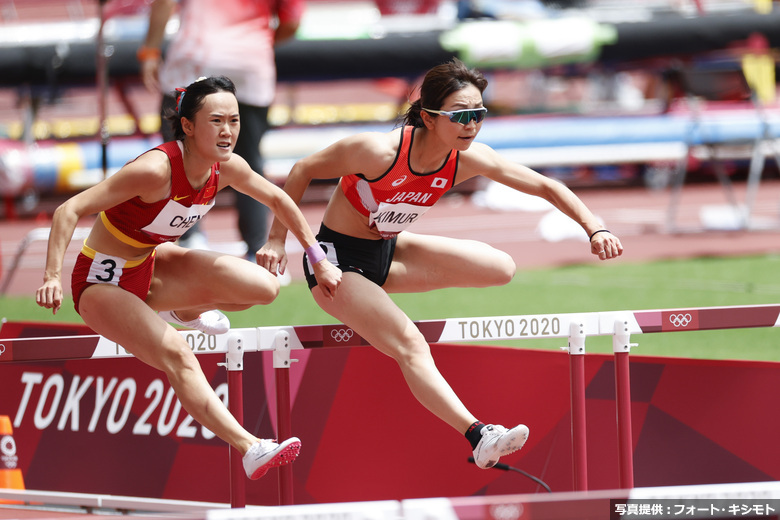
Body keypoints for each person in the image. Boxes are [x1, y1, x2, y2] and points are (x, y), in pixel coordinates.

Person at [258, 58, 624, 469]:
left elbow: (544, 185)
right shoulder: (377, 151)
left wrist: (594, 228)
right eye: (461, 115)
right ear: (429, 117)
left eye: (479, 114)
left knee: (501, 267)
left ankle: (373, 297)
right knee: (410, 343)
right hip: (337, 263)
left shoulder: (466, 158)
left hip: (390, 251)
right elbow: (302, 169)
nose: (471, 125)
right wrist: (279, 240)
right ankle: (479, 435)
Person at [35, 76, 342, 480]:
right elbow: (68, 211)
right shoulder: (154, 170)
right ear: (188, 126)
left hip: (151, 266)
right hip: (100, 283)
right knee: (178, 354)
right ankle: (251, 447)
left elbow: (278, 198)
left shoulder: (227, 167)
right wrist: (51, 277)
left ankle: (184, 309)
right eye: (216, 120)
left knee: (264, 286)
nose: (228, 130)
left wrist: (314, 256)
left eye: (234, 120)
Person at [138, 0, 303, 258]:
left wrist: (149, 51)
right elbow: (291, 22)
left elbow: (164, 2)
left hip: (194, 59)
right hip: (249, 64)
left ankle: (190, 239)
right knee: (248, 160)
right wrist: (253, 42)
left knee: (179, 158)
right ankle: (259, 247)